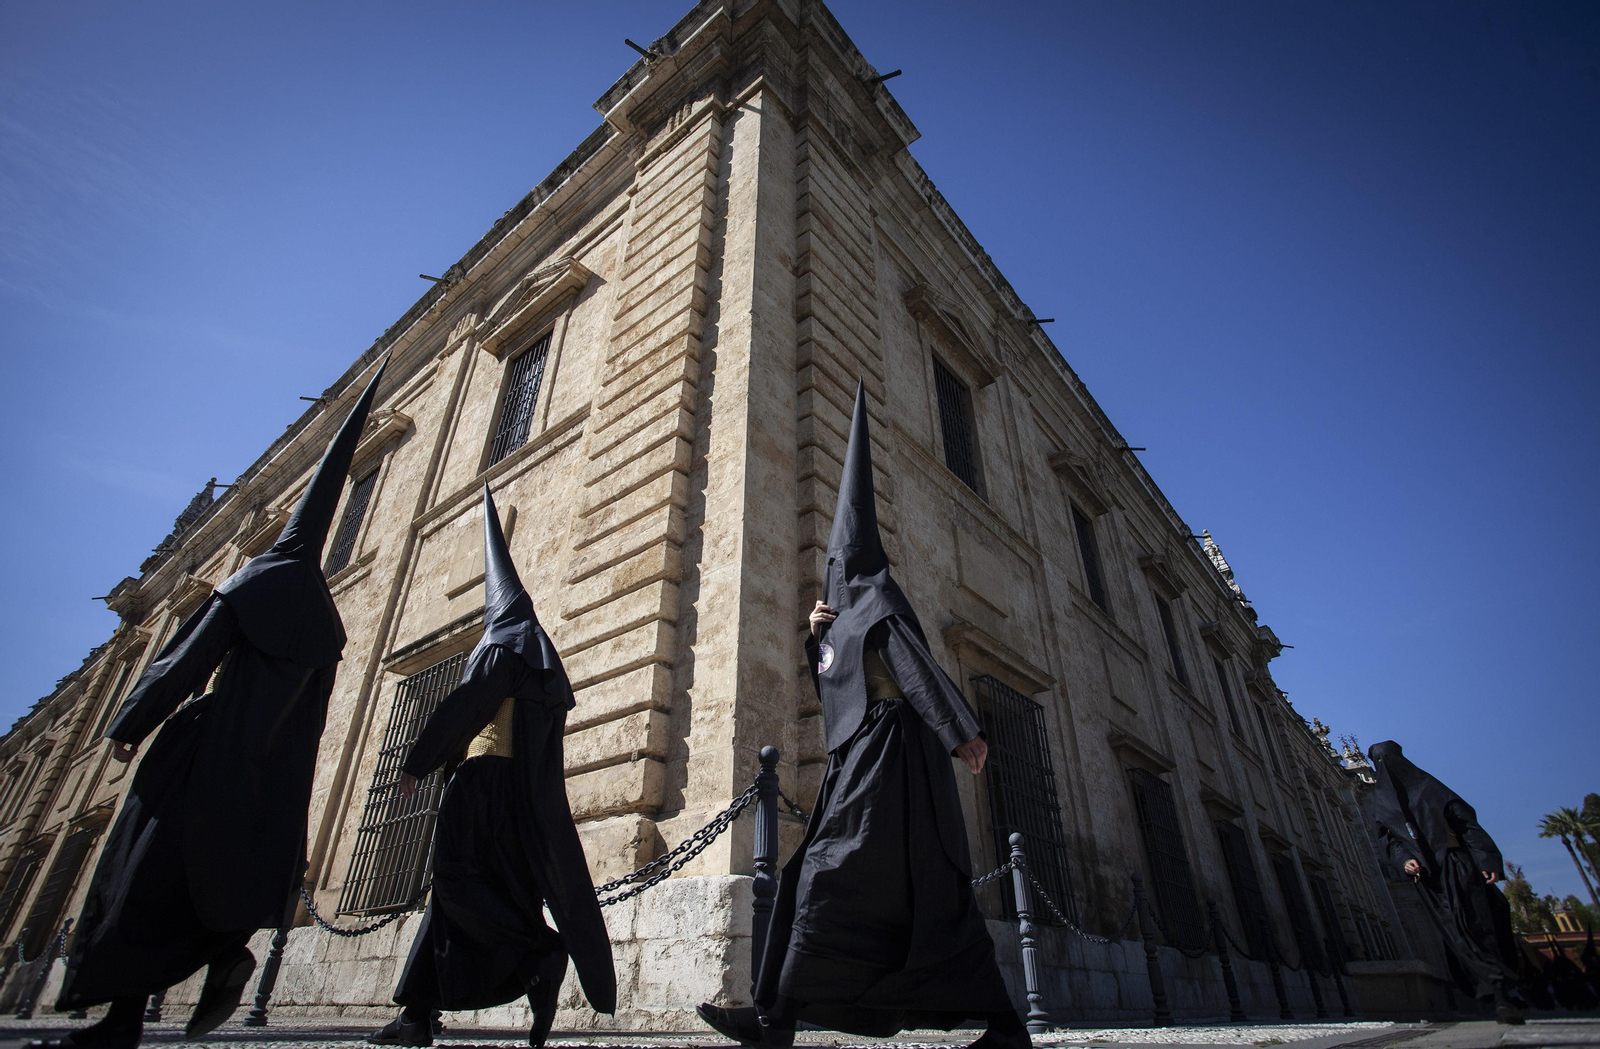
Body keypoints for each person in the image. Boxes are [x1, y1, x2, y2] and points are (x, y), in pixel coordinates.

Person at [33, 359, 388, 1049]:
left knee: (144, 871)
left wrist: (132, 722)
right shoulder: (327, 619)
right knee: (226, 867)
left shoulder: (254, 581)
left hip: (206, 751)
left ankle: (122, 1019)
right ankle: (226, 949)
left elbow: (187, 657)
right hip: (265, 769)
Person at [697, 382, 1028, 1049]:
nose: (834, 577)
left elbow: (913, 667)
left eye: (839, 567)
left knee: (826, 872)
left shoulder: (877, 602)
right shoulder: (845, 620)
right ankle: (778, 1017)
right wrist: (816, 637)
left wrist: (960, 728)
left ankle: (778, 1019)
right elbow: (833, 685)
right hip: (866, 756)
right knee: (888, 887)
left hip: (892, 756)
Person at [366, 485, 615, 1048]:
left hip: (479, 789)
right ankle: (417, 1014)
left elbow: (469, 703)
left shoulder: (501, 645)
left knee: (453, 884)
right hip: (516, 800)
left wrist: (418, 760)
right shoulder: (539, 663)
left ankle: (540, 954)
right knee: (461, 897)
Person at [1367, 740, 1526, 1024]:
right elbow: (1387, 841)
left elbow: (1466, 825)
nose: (1385, 767)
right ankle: (1493, 991)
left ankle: (1502, 992)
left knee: (1478, 924)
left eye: (1386, 759)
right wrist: (1404, 860)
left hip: (1457, 865)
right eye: (1378, 762)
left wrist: (1487, 860)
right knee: (1455, 932)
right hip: (1427, 877)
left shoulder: (1430, 788)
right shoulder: (1382, 801)